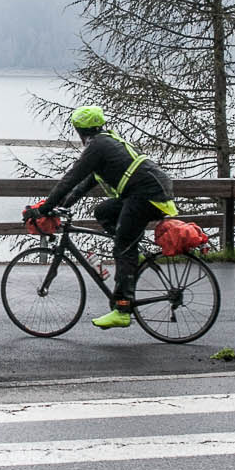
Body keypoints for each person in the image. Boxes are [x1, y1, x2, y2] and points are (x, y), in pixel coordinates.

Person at [28, 106, 178, 329]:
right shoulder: (106, 143)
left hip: (147, 194)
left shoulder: (97, 146)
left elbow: (71, 177)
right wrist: (62, 205)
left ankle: (122, 310)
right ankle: (131, 255)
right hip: (150, 190)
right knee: (103, 212)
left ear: (80, 131)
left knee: (123, 247)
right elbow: (84, 184)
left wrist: (45, 208)